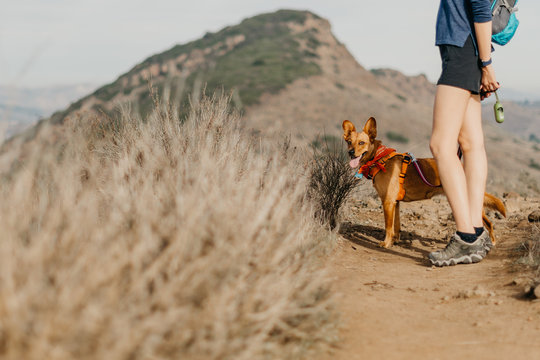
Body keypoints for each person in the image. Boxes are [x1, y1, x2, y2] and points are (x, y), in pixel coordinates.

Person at [428, 0, 500, 267]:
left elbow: (481, 10)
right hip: (465, 49)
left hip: (463, 51)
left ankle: (465, 237)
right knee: (470, 143)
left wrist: (486, 64)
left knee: (440, 145)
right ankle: (476, 231)